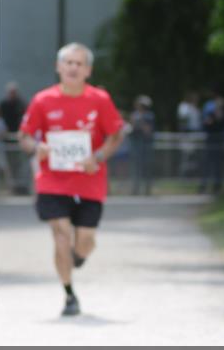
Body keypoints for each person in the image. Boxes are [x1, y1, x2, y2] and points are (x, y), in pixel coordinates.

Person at [19, 43, 126, 317]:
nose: (73, 67)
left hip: (89, 181)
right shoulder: (43, 100)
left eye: (79, 63)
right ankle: (69, 295)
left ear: (88, 70)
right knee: (61, 235)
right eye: (68, 62)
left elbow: (116, 134)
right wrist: (36, 148)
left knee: (85, 240)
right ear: (59, 67)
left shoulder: (100, 99)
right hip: (52, 180)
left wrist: (99, 156)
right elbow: (24, 136)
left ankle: (78, 256)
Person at [129, 94, 155, 196]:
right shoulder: (135, 115)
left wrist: (140, 122)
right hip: (136, 144)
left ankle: (147, 189)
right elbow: (131, 128)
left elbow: (147, 130)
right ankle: (136, 189)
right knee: (136, 168)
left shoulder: (149, 116)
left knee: (147, 167)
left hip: (146, 145)